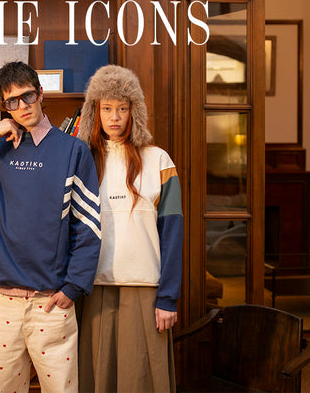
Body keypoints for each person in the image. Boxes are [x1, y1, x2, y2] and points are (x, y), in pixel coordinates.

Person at [0, 61, 101, 393]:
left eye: (27, 96)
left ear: (41, 94)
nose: (22, 106)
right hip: (1, 304)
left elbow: (89, 226)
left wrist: (73, 288)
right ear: (4, 106)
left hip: (51, 305)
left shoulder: (73, 150)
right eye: (12, 101)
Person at [77, 65, 183, 393]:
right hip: (94, 288)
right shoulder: (82, 161)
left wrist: (168, 298)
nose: (114, 117)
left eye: (122, 108)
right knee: (98, 378)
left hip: (146, 288)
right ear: (94, 112)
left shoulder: (159, 160)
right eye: (106, 108)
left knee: (141, 379)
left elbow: (173, 233)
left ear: (134, 112)